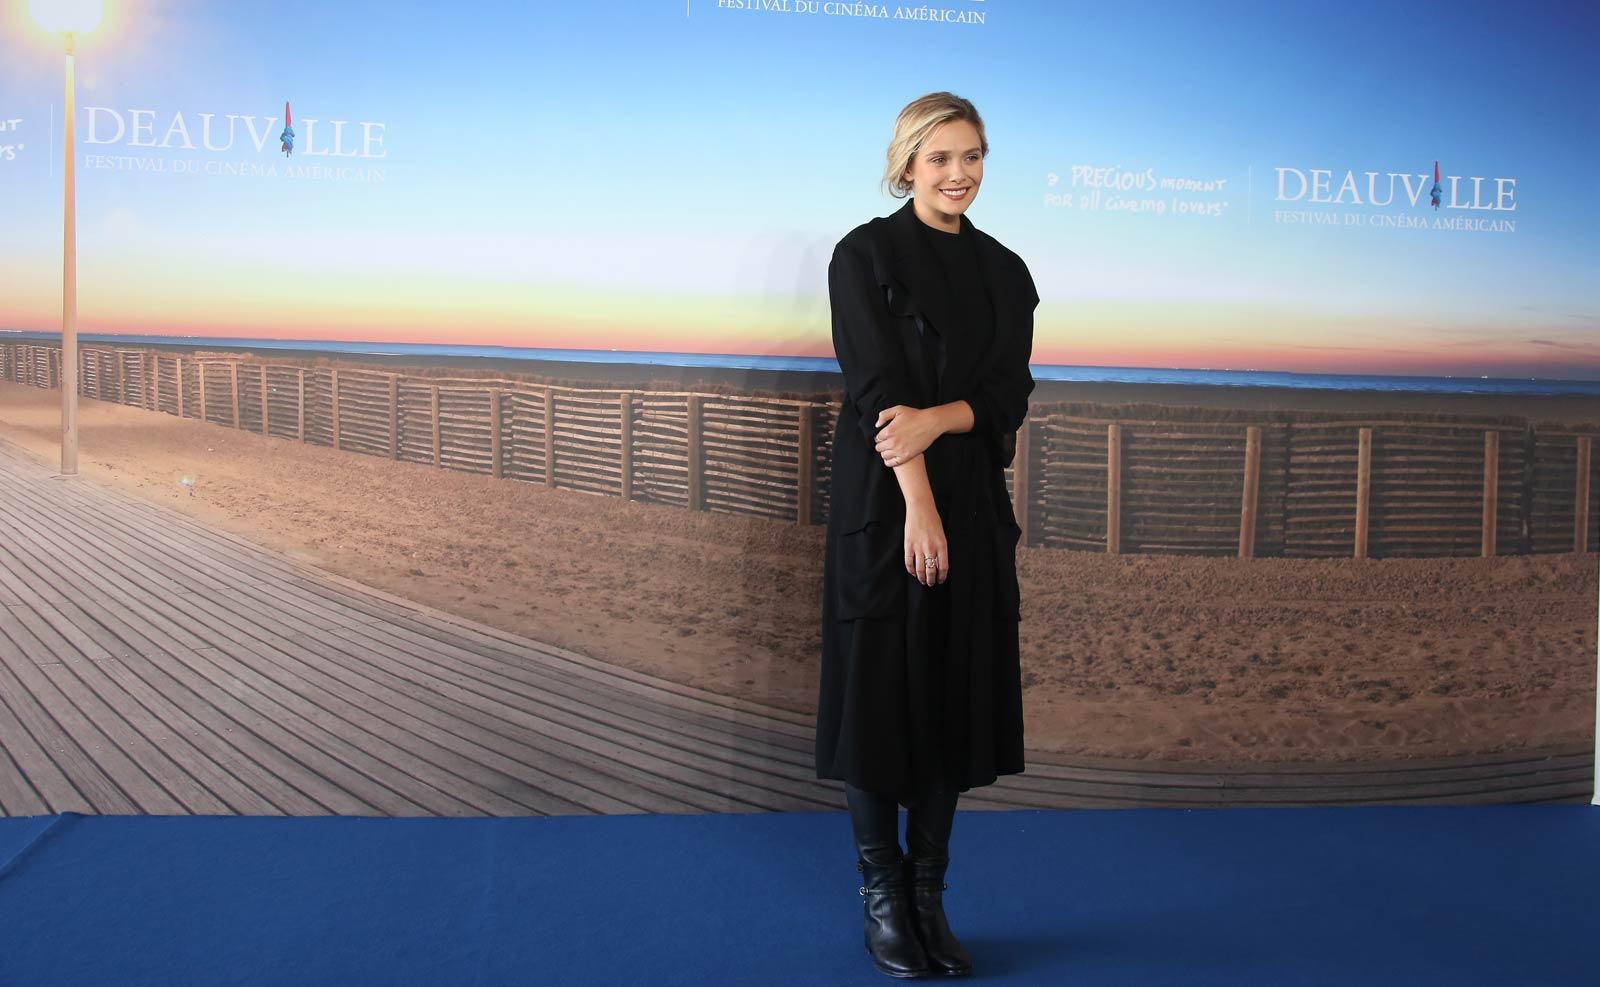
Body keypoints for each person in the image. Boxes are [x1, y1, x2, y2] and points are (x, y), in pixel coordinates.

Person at [815, 91, 1039, 979]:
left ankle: (929, 894)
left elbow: (1006, 397)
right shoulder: (863, 254)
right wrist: (918, 500)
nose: (960, 174)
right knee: (879, 693)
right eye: (942, 157)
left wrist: (943, 417)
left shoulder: (1007, 271)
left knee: (950, 687)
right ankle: (882, 896)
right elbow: (876, 396)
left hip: (973, 500)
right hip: (886, 505)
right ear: (907, 161)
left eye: (974, 156)